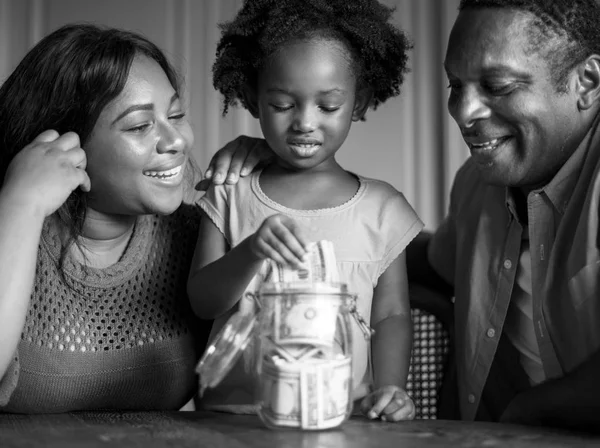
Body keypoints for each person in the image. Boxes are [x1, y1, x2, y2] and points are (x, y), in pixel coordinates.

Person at [187, 0, 423, 422]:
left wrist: (391, 390)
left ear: (359, 102)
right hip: (233, 417)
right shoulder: (229, 193)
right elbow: (202, 301)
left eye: (328, 106)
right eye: (282, 105)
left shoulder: (383, 209)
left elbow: (390, 314)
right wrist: (251, 252)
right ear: (252, 98)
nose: (304, 123)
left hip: (344, 416)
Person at [0, 23, 218, 413]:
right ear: (64, 141)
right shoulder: (14, 219)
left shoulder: (197, 235)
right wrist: (21, 205)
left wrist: (271, 176)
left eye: (176, 114)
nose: (177, 141)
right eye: (139, 126)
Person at [407, 0, 600, 432]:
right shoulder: (478, 183)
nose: (463, 111)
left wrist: (529, 412)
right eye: (456, 84)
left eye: (497, 86)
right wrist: (282, 179)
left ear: (586, 82)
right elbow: (437, 262)